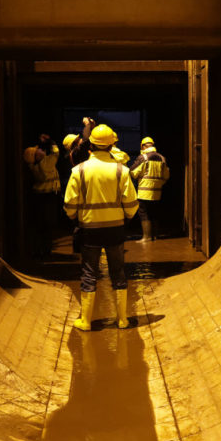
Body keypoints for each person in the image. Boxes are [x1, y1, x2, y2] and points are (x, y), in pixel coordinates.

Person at [63, 124, 139, 331]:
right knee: (118, 272)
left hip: (89, 230)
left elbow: (69, 204)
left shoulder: (78, 171)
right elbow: (131, 204)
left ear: (91, 146)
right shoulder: (121, 171)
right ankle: (122, 320)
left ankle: (86, 321)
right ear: (112, 144)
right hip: (115, 229)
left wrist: (76, 216)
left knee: (89, 273)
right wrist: (126, 216)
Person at [24, 134, 60, 259]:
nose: (41, 150)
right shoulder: (45, 164)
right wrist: (51, 141)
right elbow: (56, 153)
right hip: (47, 196)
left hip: (39, 196)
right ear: (36, 156)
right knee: (47, 225)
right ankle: (45, 251)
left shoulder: (35, 165)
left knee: (40, 225)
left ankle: (39, 249)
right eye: (38, 150)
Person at [128, 136, 170, 242]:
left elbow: (133, 172)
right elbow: (166, 176)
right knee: (155, 212)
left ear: (142, 146)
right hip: (157, 192)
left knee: (143, 213)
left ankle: (146, 237)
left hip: (144, 192)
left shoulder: (143, 157)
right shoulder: (162, 158)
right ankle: (155, 236)